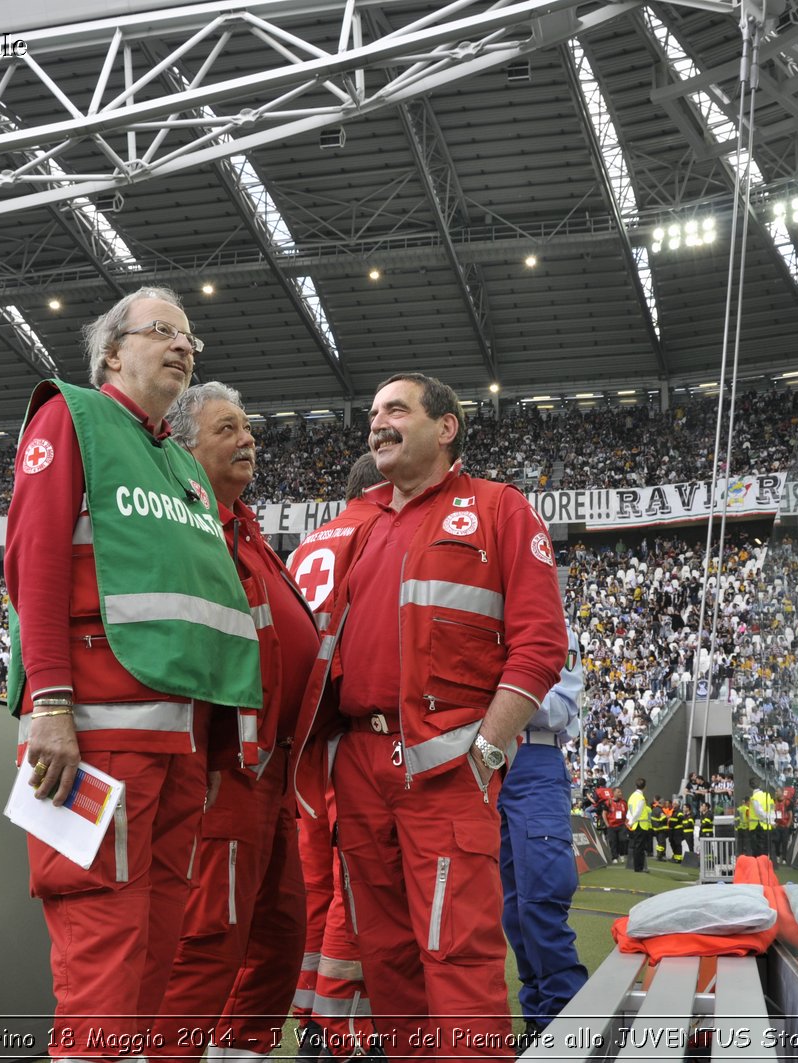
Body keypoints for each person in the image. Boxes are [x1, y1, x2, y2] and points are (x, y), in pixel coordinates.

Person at [5, 287, 263, 1059]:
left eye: (190, 338)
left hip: (175, 750)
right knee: (103, 960)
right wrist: (47, 701)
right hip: (90, 740)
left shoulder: (180, 461)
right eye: (163, 332)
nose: (182, 347)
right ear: (113, 351)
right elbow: (36, 563)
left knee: (153, 956)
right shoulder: (72, 416)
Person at [291, 371, 567, 1060]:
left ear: (446, 427)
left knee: (459, 962)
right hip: (358, 771)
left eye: (396, 409)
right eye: (373, 413)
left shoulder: (501, 509)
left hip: (445, 770)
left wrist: (488, 751)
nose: (378, 423)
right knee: (388, 968)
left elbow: (540, 645)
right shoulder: (361, 528)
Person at [152, 382, 316, 1061]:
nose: (247, 438)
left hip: (274, 772)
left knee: (282, 932)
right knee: (208, 939)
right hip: (225, 766)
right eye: (228, 429)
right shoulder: (187, 528)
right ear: (188, 446)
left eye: (248, 427)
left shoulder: (246, 527)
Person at [287, 452, 383, 1062]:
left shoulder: (304, 548)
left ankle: (311, 1021)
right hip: (353, 734)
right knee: (359, 888)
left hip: (304, 745)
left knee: (315, 887)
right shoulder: (382, 530)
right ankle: (345, 1031)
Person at [499, 625, 588, 1047]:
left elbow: (559, 709)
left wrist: (495, 692)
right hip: (493, 757)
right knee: (513, 908)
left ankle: (565, 1020)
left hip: (536, 755)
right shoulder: (491, 615)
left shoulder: (556, 628)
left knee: (541, 898)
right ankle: (538, 1016)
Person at [625, 777, 652, 872]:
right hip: (641, 824)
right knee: (639, 847)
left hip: (635, 824)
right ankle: (638, 867)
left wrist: (630, 821)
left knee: (637, 846)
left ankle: (638, 867)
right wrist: (632, 821)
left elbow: (630, 810)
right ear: (645, 787)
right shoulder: (641, 798)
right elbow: (638, 812)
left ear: (635, 785)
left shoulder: (631, 797)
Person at [605, 787, 628, 862]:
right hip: (611, 826)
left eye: (620, 792)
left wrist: (626, 822)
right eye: (618, 792)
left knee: (623, 840)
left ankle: (622, 855)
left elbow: (628, 813)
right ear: (614, 793)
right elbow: (603, 813)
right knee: (613, 842)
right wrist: (607, 824)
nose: (620, 793)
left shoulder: (624, 802)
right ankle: (614, 857)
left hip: (621, 825)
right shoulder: (608, 802)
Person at [648, 796, 671, 862]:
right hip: (660, 829)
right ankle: (660, 856)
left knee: (659, 843)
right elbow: (662, 818)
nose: (665, 805)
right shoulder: (659, 810)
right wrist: (667, 817)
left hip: (657, 829)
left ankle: (659, 855)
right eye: (665, 804)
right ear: (662, 803)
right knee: (661, 843)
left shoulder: (655, 809)